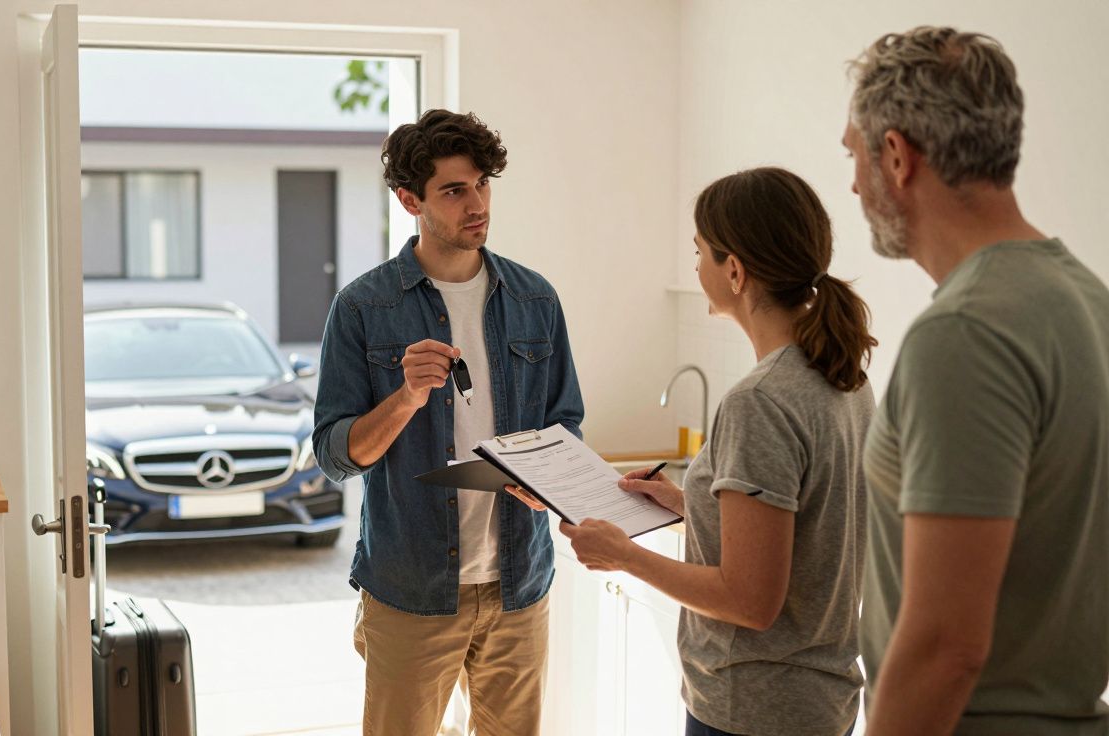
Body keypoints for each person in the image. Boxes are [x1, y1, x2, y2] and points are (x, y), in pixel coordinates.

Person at [542, 167, 876, 735]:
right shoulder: (842, 379)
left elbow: (750, 601)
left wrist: (625, 556)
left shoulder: (761, 401)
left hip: (752, 708)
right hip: (819, 703)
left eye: (699, 252)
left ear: (736, 271)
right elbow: (803, 532)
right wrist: (686, 502)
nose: (696, 268)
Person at [846, 26, 1109, 735]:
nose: (852, 182)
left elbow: (945, 649)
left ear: (897, 157)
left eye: (855, 154)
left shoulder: (963, 335)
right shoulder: (1090, 301)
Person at [311, 108, 584, 736]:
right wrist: (406, 397)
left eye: (483, 182)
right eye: (455, 190)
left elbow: (566, 423)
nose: (477, 203)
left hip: (520, 583)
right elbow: (333, 455)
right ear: (411, 200)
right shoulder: (362, 308)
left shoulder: (535, 299)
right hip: (411, 588)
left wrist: (547, 482)